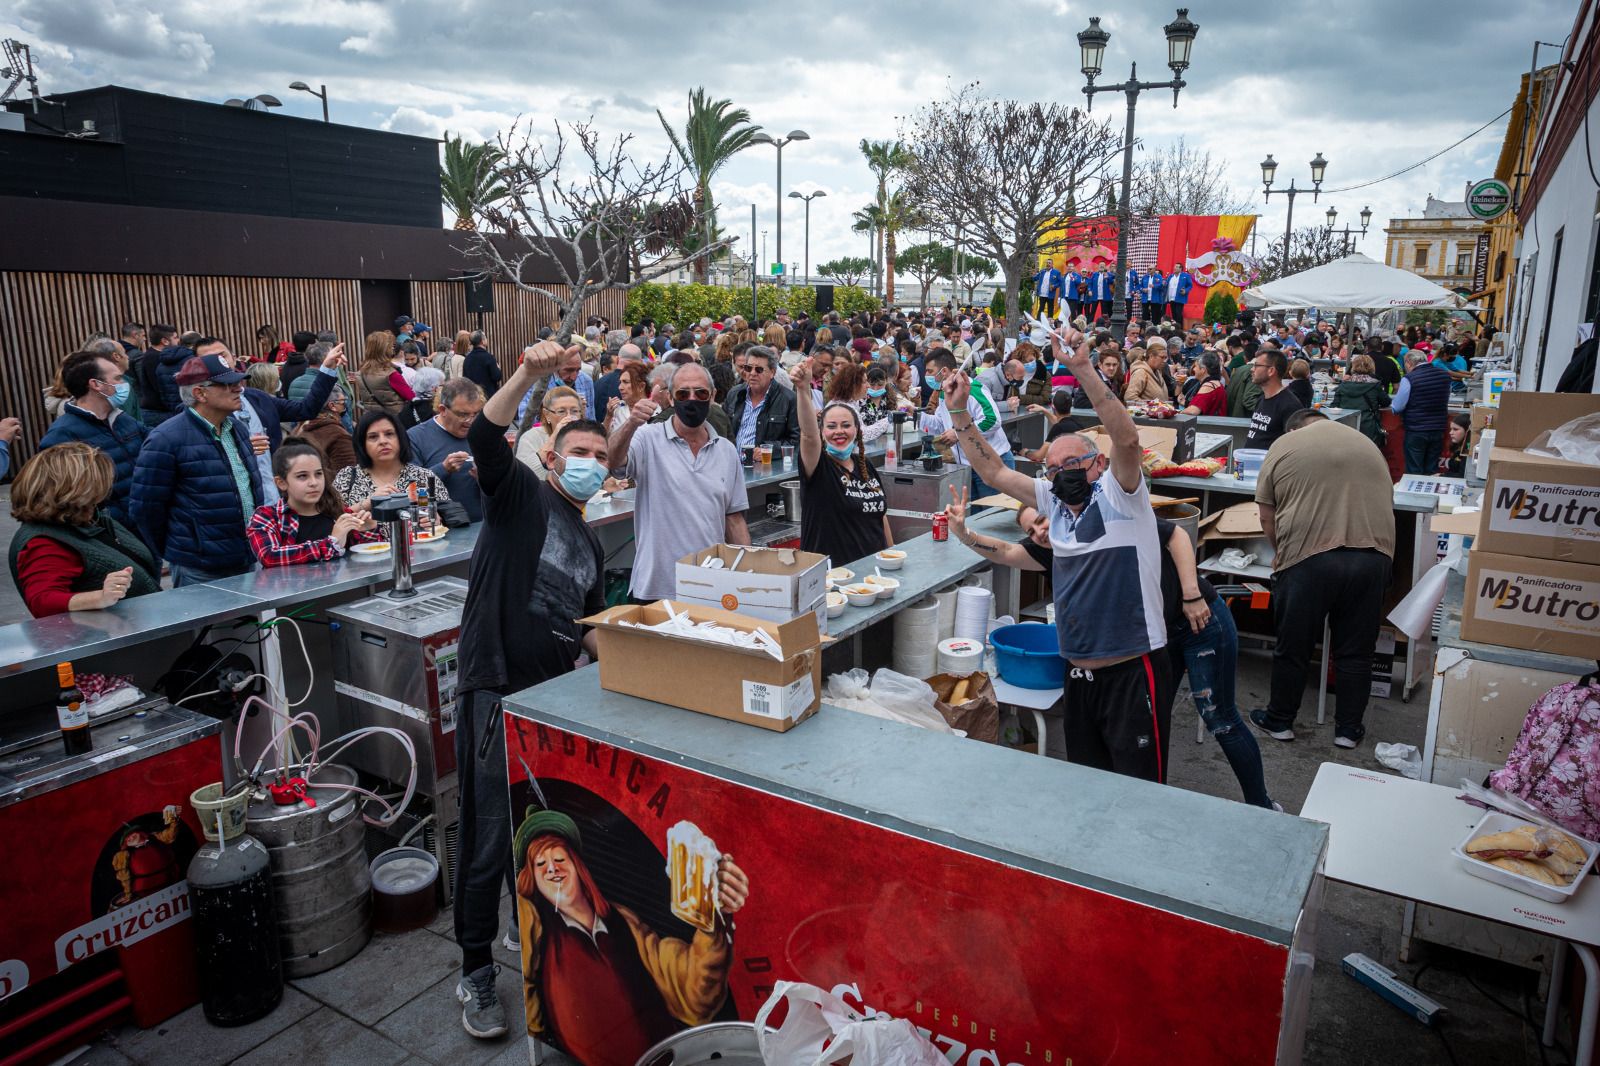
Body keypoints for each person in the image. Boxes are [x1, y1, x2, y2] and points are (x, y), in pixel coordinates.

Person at [452, 342, 619, 1039]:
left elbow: (588, 630)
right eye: (577, 449)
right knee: (487, 837)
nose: (588, 461)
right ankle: (476, 973)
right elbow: (487, 433)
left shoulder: (590, 542)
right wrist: (527, 372)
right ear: (549, 458)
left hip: (547, 709)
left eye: (601, 455)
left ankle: (526, 933)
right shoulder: (518, 496)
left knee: (538, 833)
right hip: (495, 692)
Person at [944, 329, 1173, 782]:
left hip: (1132, 670)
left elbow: (1126, 441)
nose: (1061, 475)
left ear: (1098, 465)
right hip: (1079, 675)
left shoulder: (1122, 495)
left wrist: (1083, 369)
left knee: (1142, 791)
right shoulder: (1052, 504)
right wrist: (958, 409)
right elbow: (993, 469)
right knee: (1085, 786)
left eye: (1072, 466)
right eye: (1053, 469)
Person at [511, 809, 749, 1062]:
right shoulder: (539, 928)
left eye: (559, 858)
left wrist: (712, 915)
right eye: (540, 864)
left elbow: (692, 992)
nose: (552, 869)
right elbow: (529, 983)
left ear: (578, 867)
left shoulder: (622, 922)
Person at [1250, 410, 1394, 749]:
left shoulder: (1285, 444)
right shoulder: (1367, 444)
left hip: (1308, 558)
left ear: (1296, 427)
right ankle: (1348, 730)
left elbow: (1266, 515)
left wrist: (1280, 554)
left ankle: (1280, 721)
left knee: (1294, 647)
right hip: (1372, 558)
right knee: (1356, 652)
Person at [608, 362, 750, 602]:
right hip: (656, 587)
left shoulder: (725, 450)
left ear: (712, 396)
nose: (692, 399)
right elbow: (612, 462)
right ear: (671, 399)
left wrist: (748, 573)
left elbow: (733, 519)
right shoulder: (647, 437)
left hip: (710, 585)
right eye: (683, 393)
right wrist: (631, 423)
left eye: (700, 393)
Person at [130, 354, 265, 585]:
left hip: (247, 558)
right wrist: (185, 549)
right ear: (200, 393)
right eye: (227, 384)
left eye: (238, 382)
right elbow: (145, 510)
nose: (238, 389)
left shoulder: (238, 430)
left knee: (253, 623)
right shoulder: (165, 440)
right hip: (200, 569)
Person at [9, 443, 161, 618]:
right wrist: (100, 598)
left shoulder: (89, 518)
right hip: (109, 637)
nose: (104, 490)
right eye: (96, 483)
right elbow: (42, 601)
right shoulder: (45, 542)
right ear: (71, 490)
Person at [789, 357, 893, 563]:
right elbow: (808, 435)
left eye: (846, 425)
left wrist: (891, 555)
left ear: (857, 430)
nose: (839, 432)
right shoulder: (820, 466)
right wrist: (803, 389)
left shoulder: (866, 466)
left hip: (872, 573)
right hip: (831, 577)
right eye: (831, 426)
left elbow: (879, 515)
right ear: (822, 431)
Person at [38, 350, 150, 528]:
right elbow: (64, 500)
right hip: (115, 534)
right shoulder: (62, 435)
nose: (124, 384)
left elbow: (156, 443)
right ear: (96, 385)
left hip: (144, 525)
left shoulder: (121, 418)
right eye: (118, 378)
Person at [246, 443, 383, 567]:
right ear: (281, 483)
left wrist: (367, 530)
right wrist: (331, 543)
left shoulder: (338, 512)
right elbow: (269, 556)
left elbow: (365, 563)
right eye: (302, 476)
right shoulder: (266, 517)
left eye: (318, 474)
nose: (314, 482)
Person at [919, 349, 1013, 503]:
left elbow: (992, 420)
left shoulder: (974, 389)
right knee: (972, 518)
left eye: (930, 371)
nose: (927, 376)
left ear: (943, 371)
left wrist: (957, 434)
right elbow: (939, 425)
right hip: (966, 466)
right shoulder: (943, 393)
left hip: (992, 461)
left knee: (993, 517)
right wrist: (914, 416)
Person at [333, 411, 453, 510]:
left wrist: (437, 521)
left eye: (389, 434)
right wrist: (368, 503)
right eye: (373, 437)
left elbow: (450, 518)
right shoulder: (348, 477)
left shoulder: (424, 477)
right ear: (362, 444)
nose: (383, 441)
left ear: (400, 438)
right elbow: (332, 523)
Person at [409, 378, 487, 521]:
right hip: (442, 530)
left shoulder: (483, 433)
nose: (470, 421)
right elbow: (411, 488)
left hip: (485, 525)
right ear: (443, 410)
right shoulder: (415, 438)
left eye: (476, 414)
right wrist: (443, 469)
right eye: (463, 415)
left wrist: (487, 476)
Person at [724, 345, 800, 449]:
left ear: (772, 372)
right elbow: (723, 430)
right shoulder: (734, 394)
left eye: (759, 370)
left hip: (766, 463)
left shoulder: (789, 399)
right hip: (732, 462)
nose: (752, 373)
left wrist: (767, 449)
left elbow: (795, 440)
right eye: (748, 368)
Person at [1391, 350, 1452, 474]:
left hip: (1416, 429)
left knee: (1414, 469)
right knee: (1431, 468)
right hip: (1438, 428)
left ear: (1408, 363)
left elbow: (1397, 407)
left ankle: (1413, 493)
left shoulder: (1409, 378)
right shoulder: (1444, 375)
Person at [286, 386, 358, 485]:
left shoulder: (301, 426)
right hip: (329, 495)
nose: (345, 407)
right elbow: (349, 476)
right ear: (332, 406)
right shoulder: (338, 435)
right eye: (343, 403)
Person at [516, 385, 585, 479]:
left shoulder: (586, 436)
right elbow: (522, 477)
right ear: (547, 414)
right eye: (561, 411)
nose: (569, 417)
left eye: (575, 411)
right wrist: (554, 437)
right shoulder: (531, 437)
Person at [1243, 350, 1303, 450]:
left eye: (1257, 365)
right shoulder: (1262, 399)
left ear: (1271, 371)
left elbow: (1295, 446)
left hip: (1269, 464)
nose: (1252, 369)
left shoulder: (1290, 405)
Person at [1333, 354, 1390, 446]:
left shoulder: (1343, 385)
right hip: (1367, 427)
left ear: (1353, 366)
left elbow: (1334, 405)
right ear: (1372, 367)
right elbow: (1386, 402)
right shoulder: (1375, 385)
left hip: (1346, 426)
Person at [355, 331, 413, 417]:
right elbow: (410, 396)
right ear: (384, 349)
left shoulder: (360, 373)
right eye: (390, 346)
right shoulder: (391, 374)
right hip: (393, 419)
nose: (393, 348)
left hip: (371, 418)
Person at [609, 363, 650, 436]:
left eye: (626, 382)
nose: (620, 387)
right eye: (620, 382)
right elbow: (604, 440)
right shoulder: (617, 409)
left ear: (641, 386)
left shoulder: (656, 412)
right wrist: (608, 416)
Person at [1181, 352, 1226, 416]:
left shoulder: (1209, 385)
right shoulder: (1215, 383)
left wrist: (1177, 413)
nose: (1194, 369)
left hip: (1210, 425)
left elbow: (1193, 411)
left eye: (1195, 366)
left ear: (1203, 370)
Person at [462, 330, 502, 398]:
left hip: (473, 396)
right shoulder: (489, 357)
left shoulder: (467, 359)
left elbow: (465, 379)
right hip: (488, 395)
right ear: (482, 341)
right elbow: (497, 377)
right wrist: (498, 369)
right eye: (485, 337)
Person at [1441, 411, 1471, 476]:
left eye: (1455, 429)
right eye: (1451, 429)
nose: (1450, 433)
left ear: (1467, 431)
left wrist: (1442, 476)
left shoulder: (1469, 451)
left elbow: (1462, 476)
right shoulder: (1458, 446)